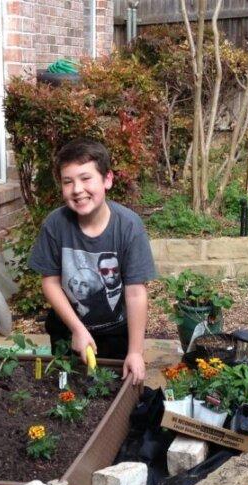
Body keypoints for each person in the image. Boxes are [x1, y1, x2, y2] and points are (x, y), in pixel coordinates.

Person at [28, 138, 157, 385]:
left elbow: (135, 293)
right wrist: (77, 329)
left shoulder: (128, 226)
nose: (77, 189)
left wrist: (135, 352)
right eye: (68, 181)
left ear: (107, 179)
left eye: (86, 178)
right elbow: (51, 282)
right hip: (67, 329)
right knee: (67, 393)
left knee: (111, 394)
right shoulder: (56, 224)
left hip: (116, 332)